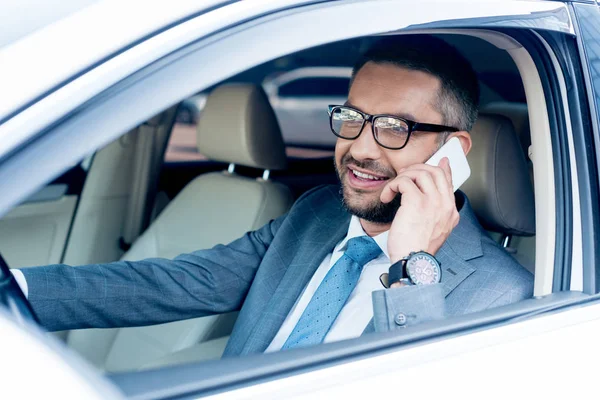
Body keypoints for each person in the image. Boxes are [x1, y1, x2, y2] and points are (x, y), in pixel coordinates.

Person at [12, 35, 533, 357]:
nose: (361, 148)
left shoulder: (503, 292)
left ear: (452, 150)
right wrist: (13, 292)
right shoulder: (315, 213)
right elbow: (178, 283)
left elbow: (412, 382)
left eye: (394, 127)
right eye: (352, 119)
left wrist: (413, 265)